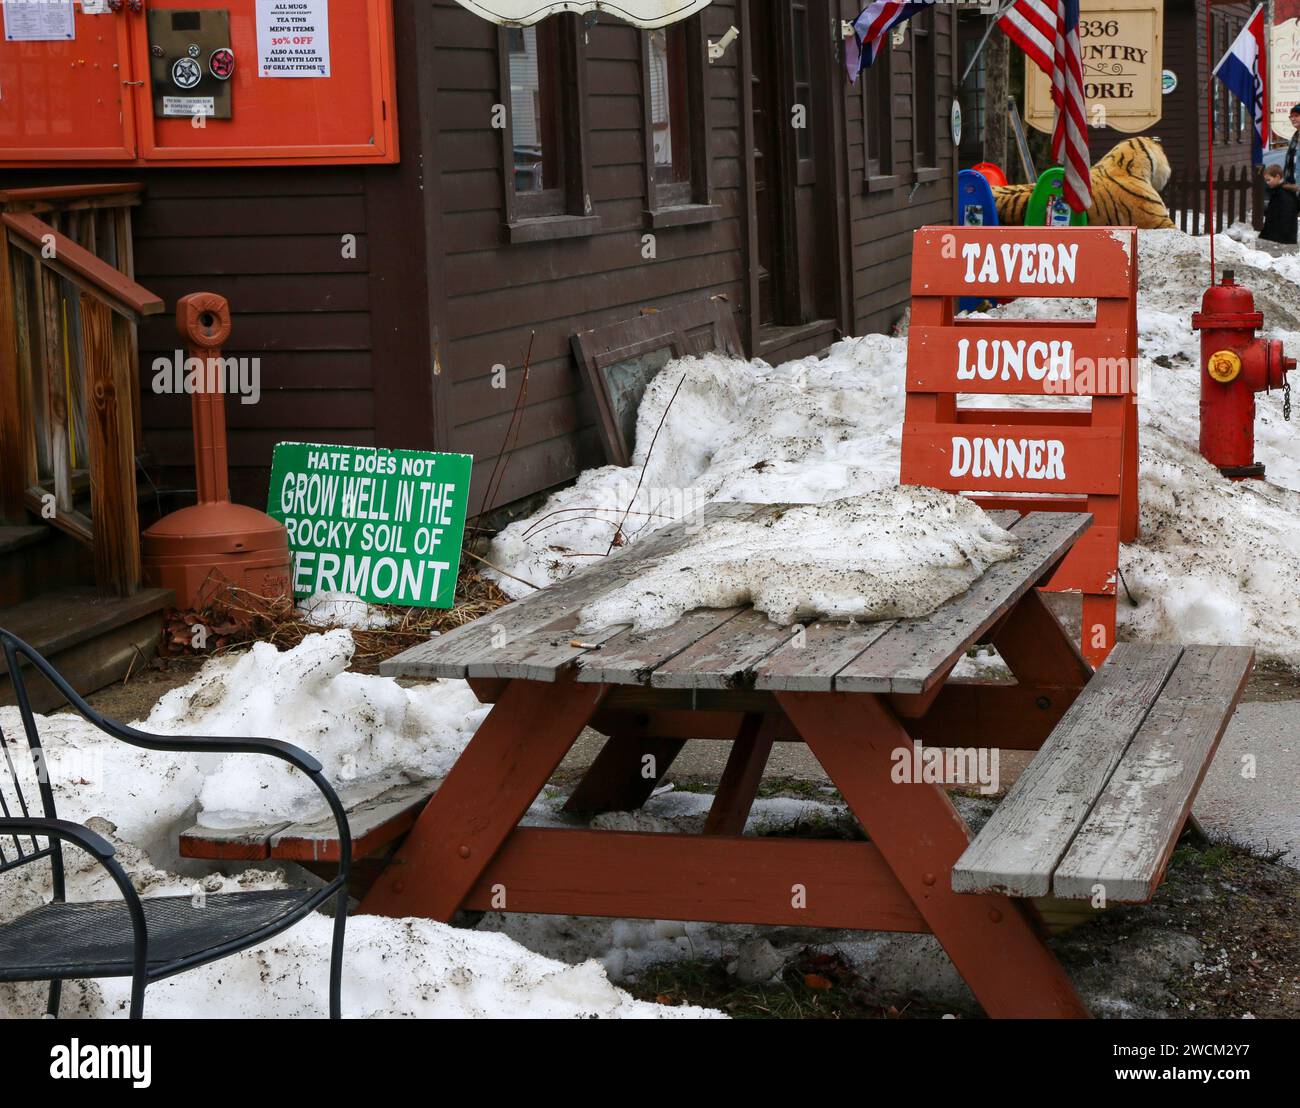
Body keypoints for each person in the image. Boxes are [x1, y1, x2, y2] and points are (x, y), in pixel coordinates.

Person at [1262, 105, 1300, 245]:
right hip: (1292, 185)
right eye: (1292, 116)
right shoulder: (1295, 137)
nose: (1293, 119)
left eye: (1296, 115)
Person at [1260, 163, 1297, 243]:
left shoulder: (1283, 194)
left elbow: (1285, 216)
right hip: (1278, 235)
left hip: (1281, 237)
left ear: (1277, 177)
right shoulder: (1278, 191)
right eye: (1266, 181)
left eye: (1269, 180)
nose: (1267, 183)